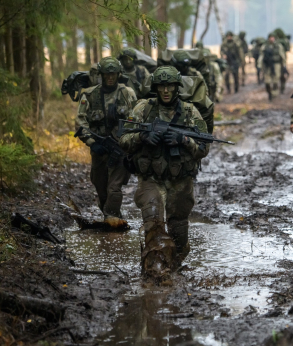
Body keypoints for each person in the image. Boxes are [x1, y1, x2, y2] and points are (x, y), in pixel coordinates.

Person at [119, 66, 210, 277]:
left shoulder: (189, 112)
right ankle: (153, 271)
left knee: (178, 232)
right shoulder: (142, 110)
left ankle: (174, 265)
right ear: (156, 88)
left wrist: (184, 140)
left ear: (177, 88)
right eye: (162, 86)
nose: (166, 90)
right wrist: (141, 138)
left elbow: (204, 148)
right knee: (153, 224)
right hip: (151, 178)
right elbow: (123, 139)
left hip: (180, 181)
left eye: (170, 86)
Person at [75, 57, 137, 227]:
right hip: (99, 148)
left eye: (113, 74)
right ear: (101, 75)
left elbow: (137, 120)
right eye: (107, 74)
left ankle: (112, 220)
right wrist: (91, 142)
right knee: (100, 187)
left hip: (120, 149)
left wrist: (129, 142)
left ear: (118, 74)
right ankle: (110, 216)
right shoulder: (89, 95)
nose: (110, 77)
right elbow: (80, 122)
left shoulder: (127, 94)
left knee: (114, 188)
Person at [257, 33, 286, 101]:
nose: (271, 39)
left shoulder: (278, 46)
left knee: (275, 80)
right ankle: (269, 93)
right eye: (270, 37)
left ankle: (274, 93)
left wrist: (284, 65)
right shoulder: (264, 46)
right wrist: (259, 66)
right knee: (267, 82)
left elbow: (282, 56)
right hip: (267, 66)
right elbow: (261, 56)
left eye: (273, 37)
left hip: (276, 64)